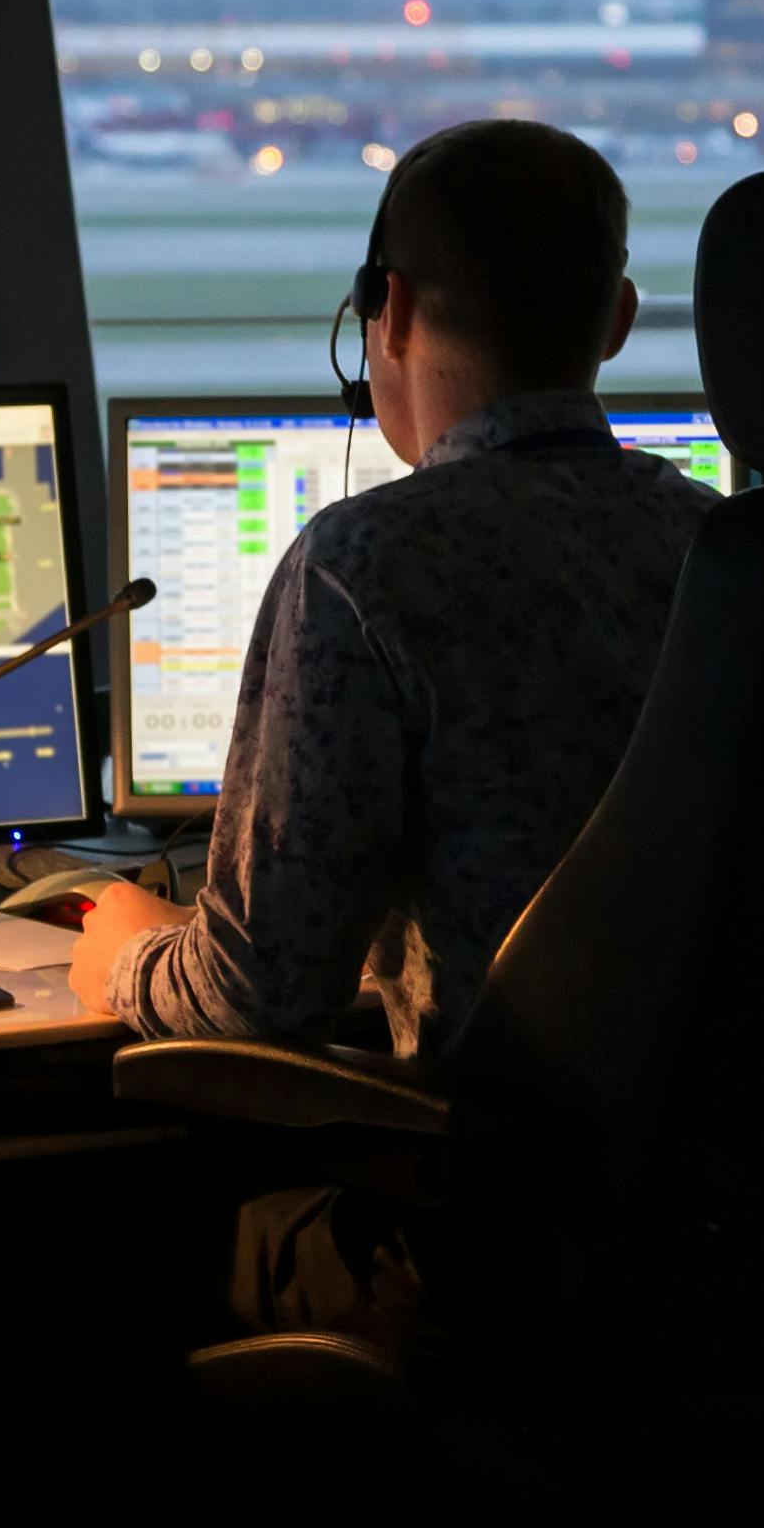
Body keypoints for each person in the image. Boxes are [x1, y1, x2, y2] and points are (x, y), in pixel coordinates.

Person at [70, 115, 716, 1077]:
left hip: (498, 1187)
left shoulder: (363, 562)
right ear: (618, 318)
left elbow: (259, 995)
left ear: (391, 309)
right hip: (732, 1177)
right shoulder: (716, 538)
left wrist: (126, 951)